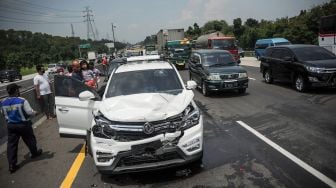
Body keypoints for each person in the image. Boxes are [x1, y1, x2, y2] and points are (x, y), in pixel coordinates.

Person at [0, 83, 43, 173]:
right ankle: (34, 153)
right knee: (30, 139)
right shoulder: (22, 100)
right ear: (16, 91)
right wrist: (35, 113)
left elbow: (3, 113)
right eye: (18, 89)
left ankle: (12, 165)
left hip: (11, 126)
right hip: (23, 125)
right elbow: (29, 112)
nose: (19, 91)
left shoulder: (3, 102)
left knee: (12, 145)